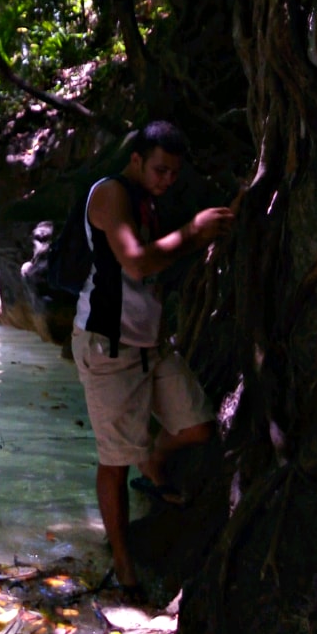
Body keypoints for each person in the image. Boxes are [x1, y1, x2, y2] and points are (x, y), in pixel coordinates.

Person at [72, 121, 236, 596]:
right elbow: (137, 262)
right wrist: (195, 231)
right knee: (114, 462)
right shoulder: (109, 194)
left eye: (173, 173)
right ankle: (124, 568)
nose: (167, 179)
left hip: (150, 344)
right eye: (160, 169)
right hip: (107, 345)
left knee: (199, 425)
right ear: (137, 160)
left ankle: (154, 458)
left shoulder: (150, 198)